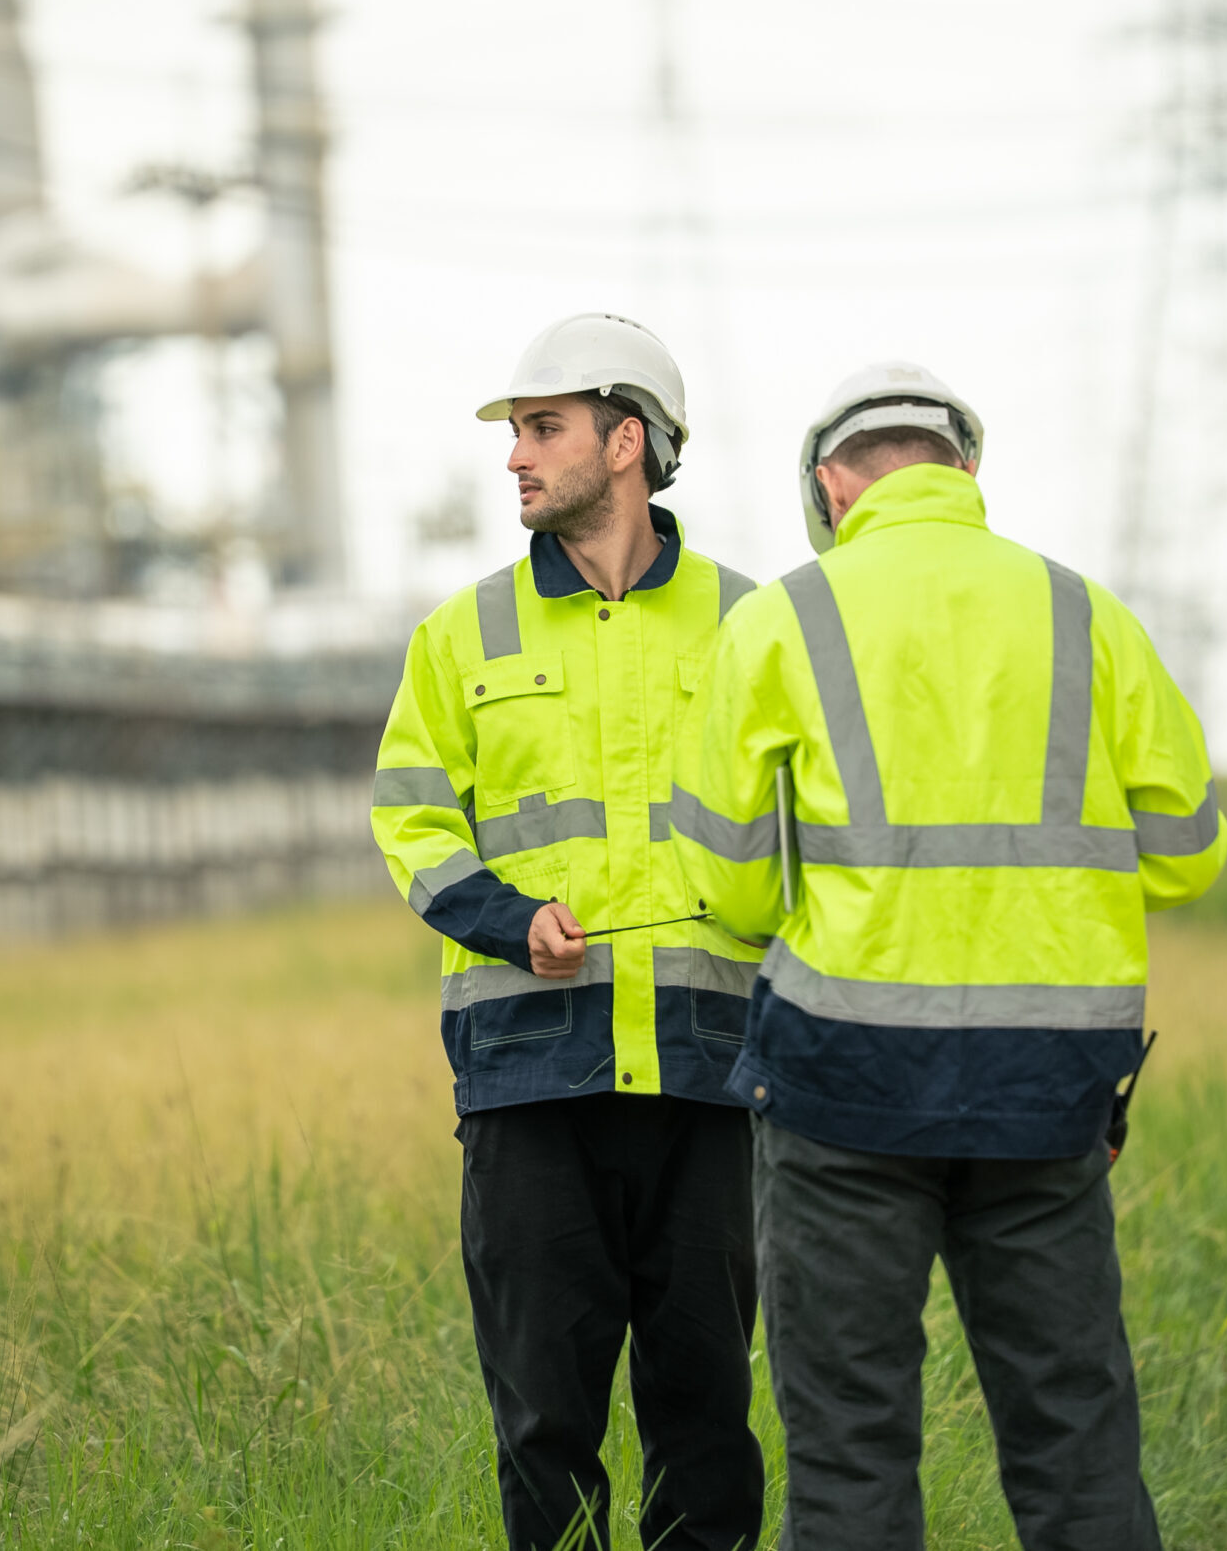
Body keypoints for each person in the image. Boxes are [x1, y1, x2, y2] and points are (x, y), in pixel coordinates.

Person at [672, 361, 1227, 1551]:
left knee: (850, 1448)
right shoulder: (1085, 615)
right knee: (1074, 1438)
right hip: (1048, 1089)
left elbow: (721, 890)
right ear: (964, 472)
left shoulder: (778, 619)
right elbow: (1186, 856)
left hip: (841, 1088)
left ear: (830, 486)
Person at [370, 313, 766, 1551]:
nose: (515, 460)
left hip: (710, 1074)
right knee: (544, 1418)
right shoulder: (459, 636)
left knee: (704, 1415)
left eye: (542, 429)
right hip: (531, 1077)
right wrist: (502, 922)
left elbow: (807, 832)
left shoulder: (754, 626)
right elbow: (412, 820)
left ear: (627, 441)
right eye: (516, 433)